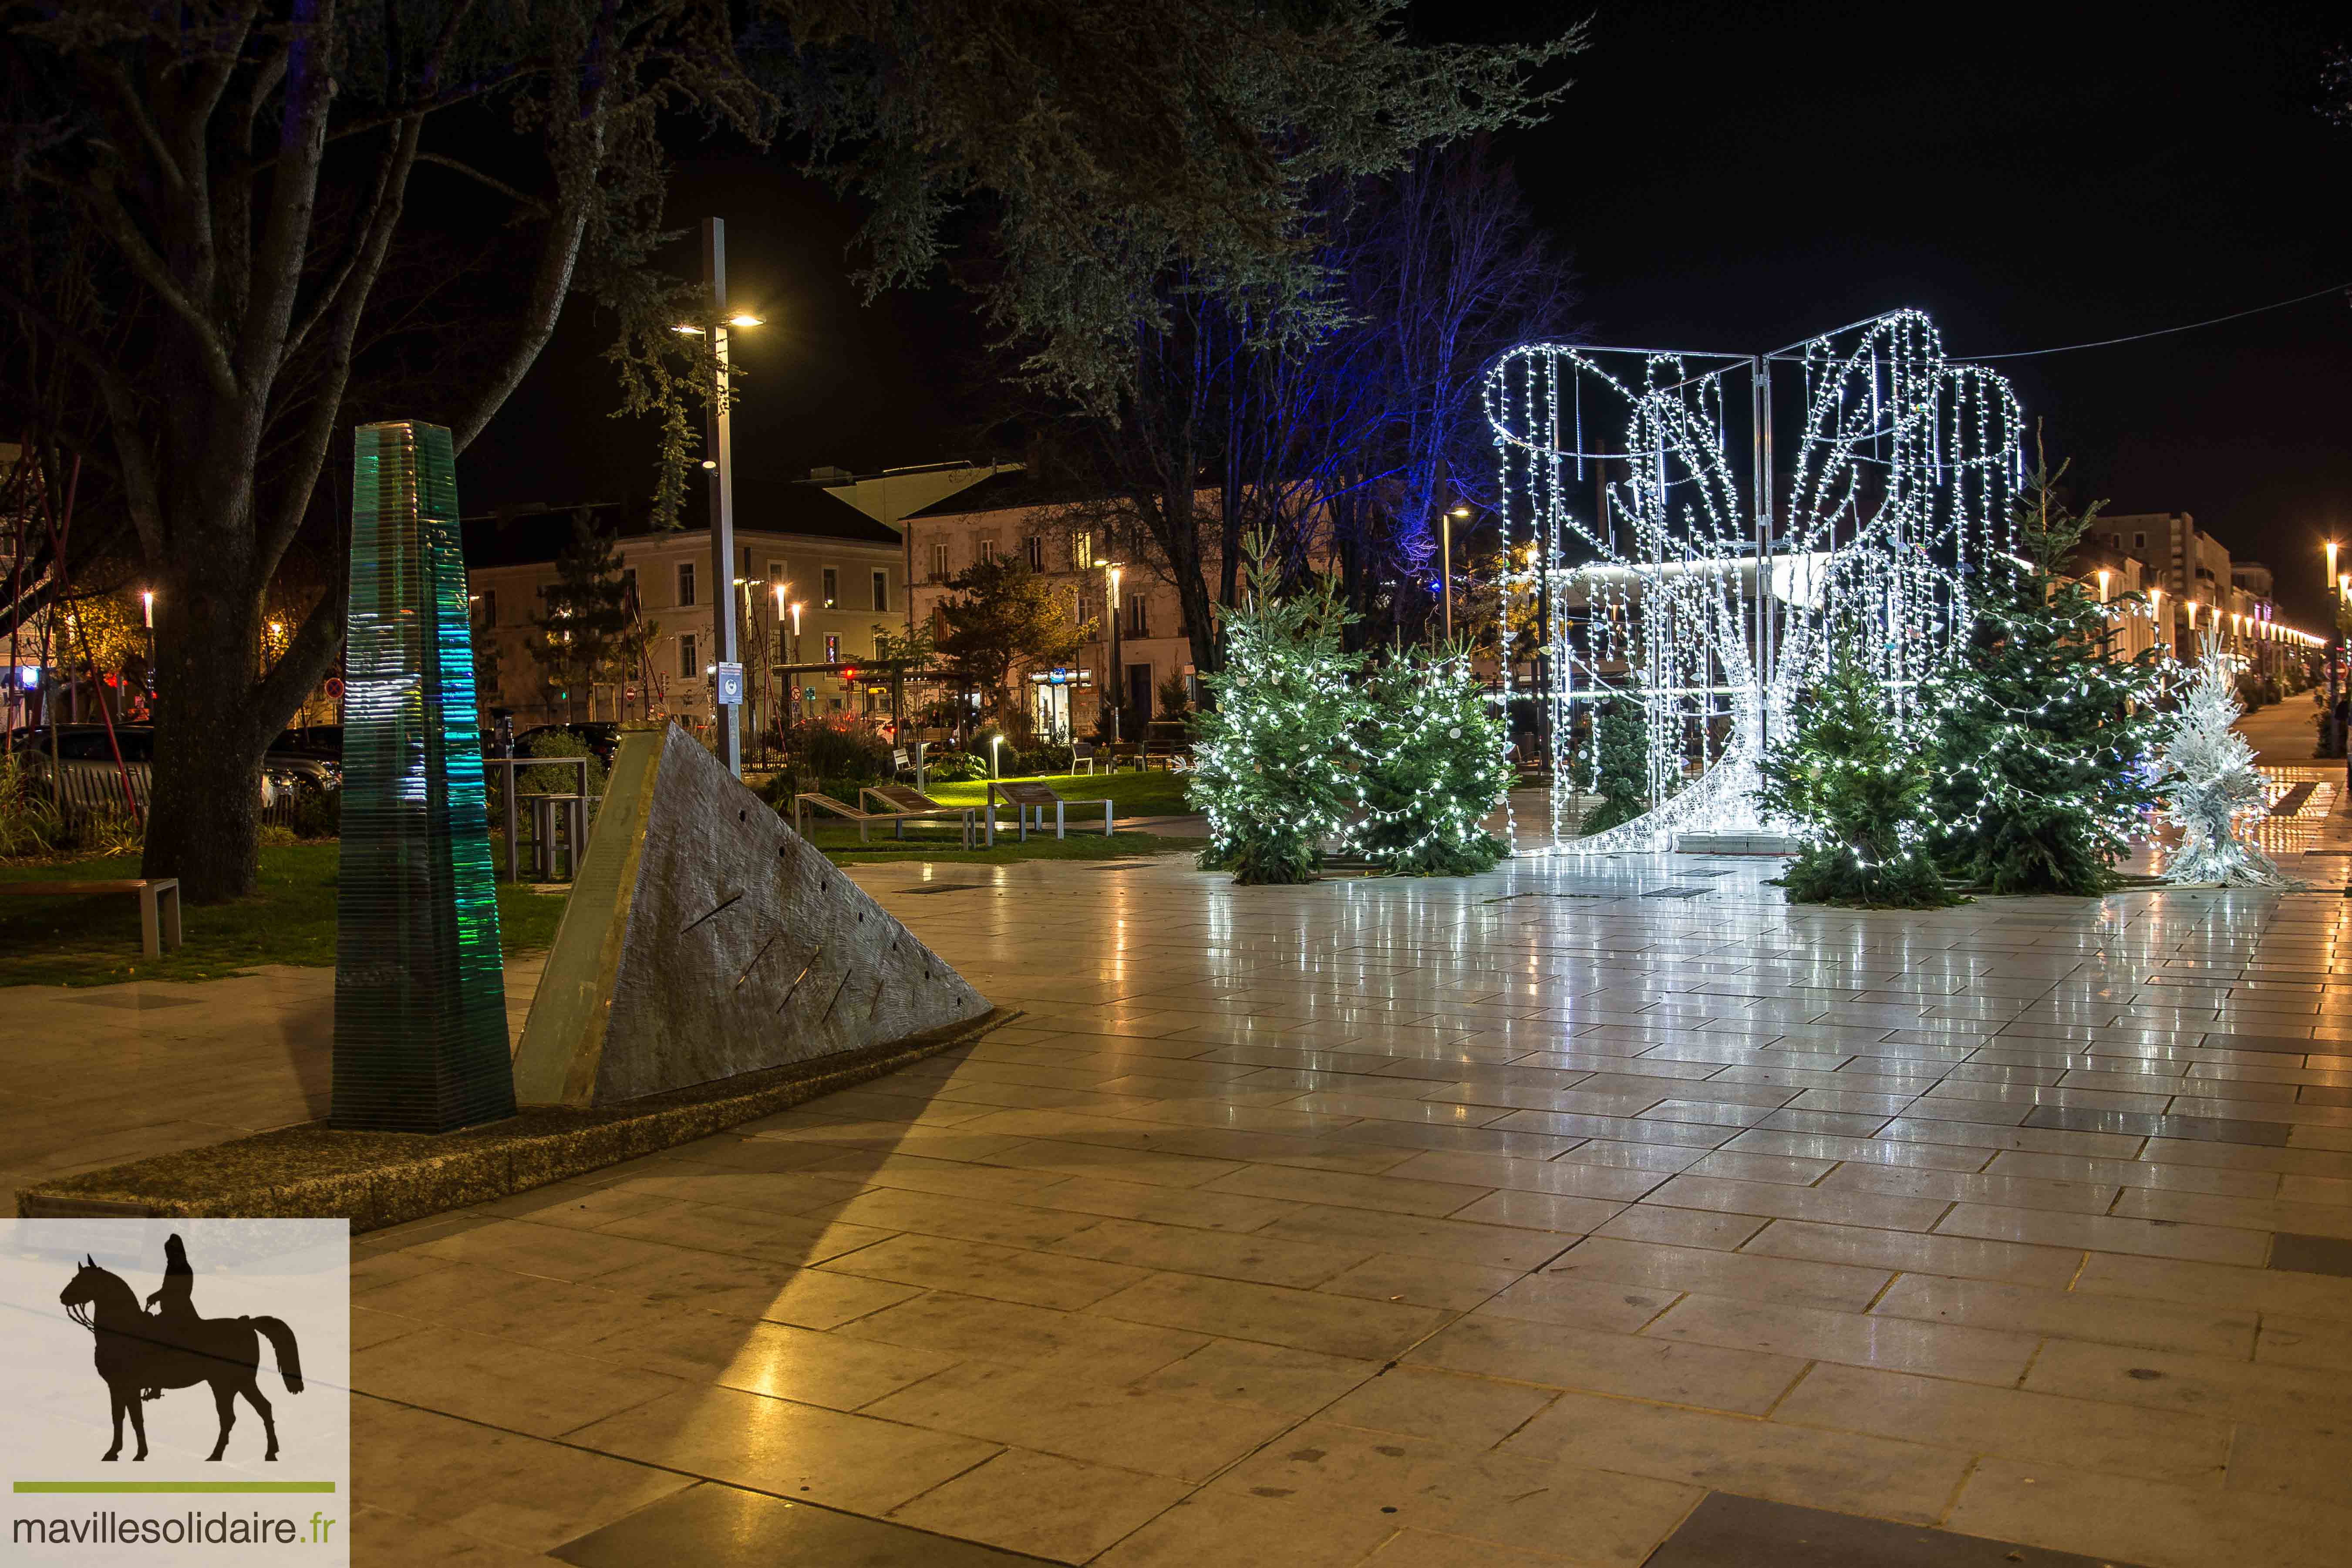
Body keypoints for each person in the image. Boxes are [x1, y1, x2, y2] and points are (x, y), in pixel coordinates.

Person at [139, 1233, 197, 1400]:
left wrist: (159, 1296)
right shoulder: (172, 1267)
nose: (169, 1257)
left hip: (180, 1312)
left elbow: (180, 1293)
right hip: (170, 1310)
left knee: (159, 1341)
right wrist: (157, 1296)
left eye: (171, 1254)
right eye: (168, 1255)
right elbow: (166, 1288)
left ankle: (157, 1383)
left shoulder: (185, 1269)